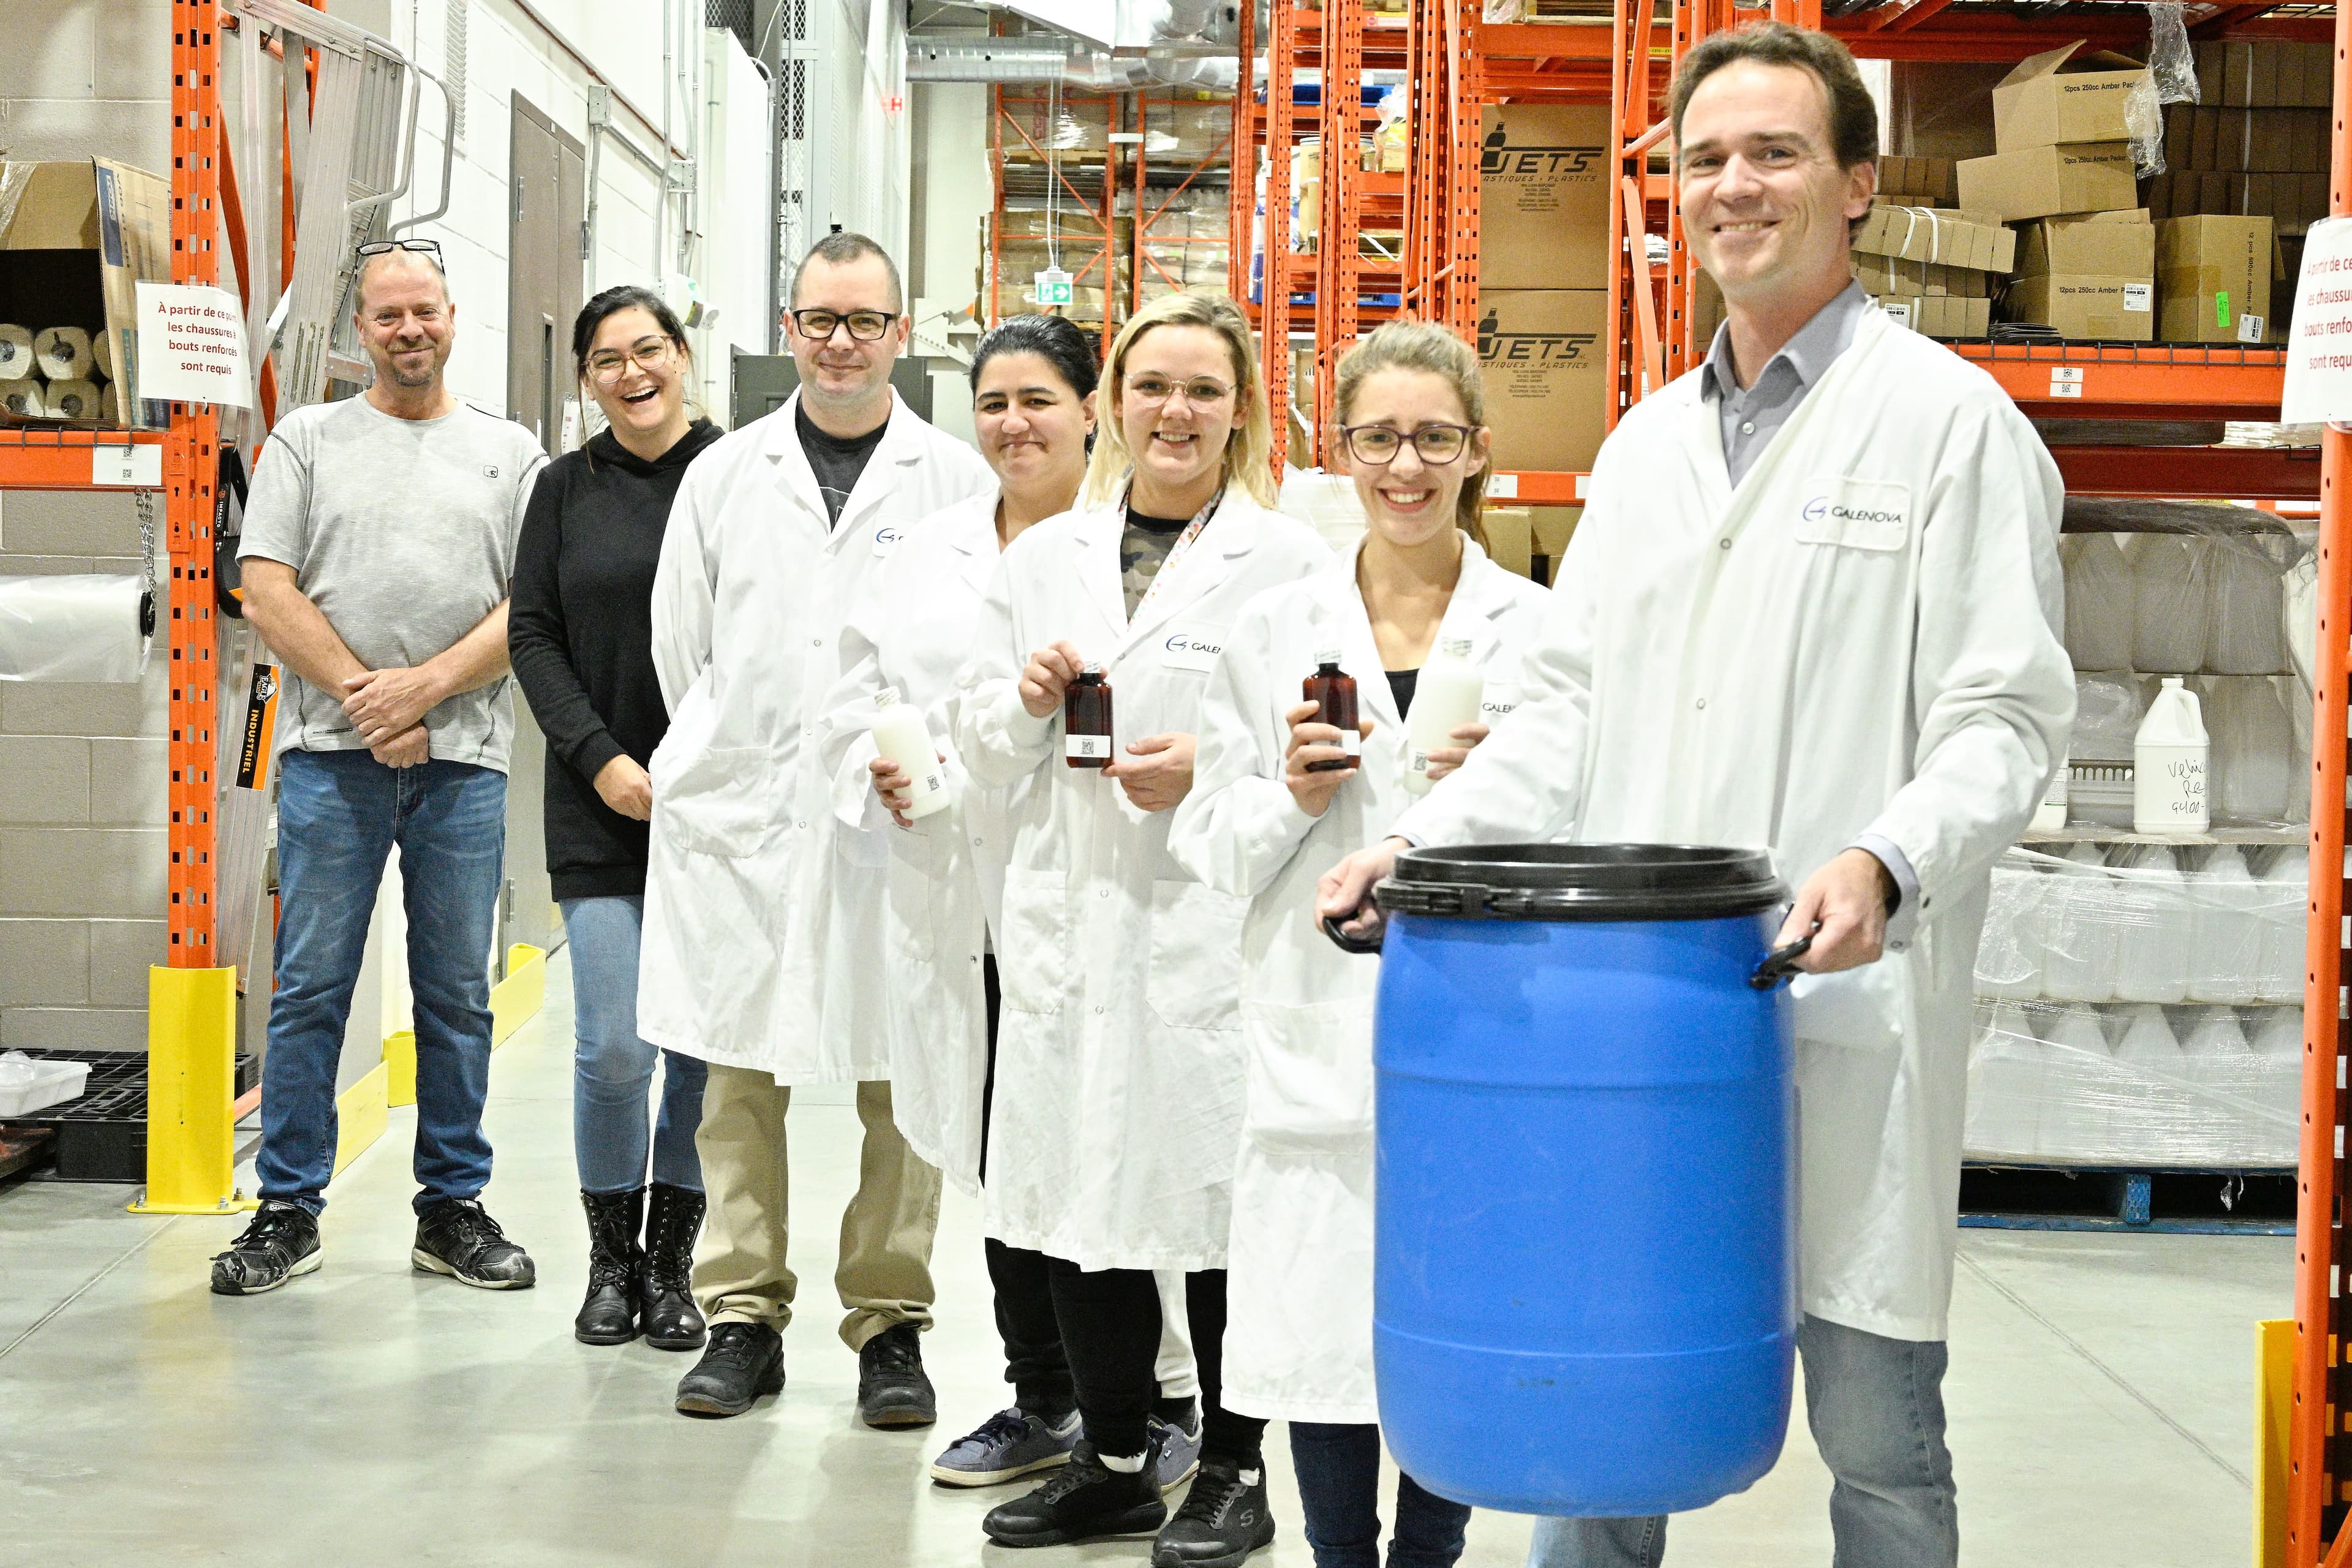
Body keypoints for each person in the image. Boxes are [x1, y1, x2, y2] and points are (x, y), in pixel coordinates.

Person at [1318, 25, 2075, 1568]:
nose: (1736, 185)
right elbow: (1562, 711)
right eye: (1707, 157)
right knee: (1607, 1418)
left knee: (1879, 1439)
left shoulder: (1949, 425)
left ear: (1857, 185)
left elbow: (2007, 718)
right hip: (1643, 1009)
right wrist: (1422, 842)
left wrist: (1885, 856)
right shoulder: (1648, 444)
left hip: (1846, 996)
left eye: (1777, 152)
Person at [949, 290, 1329, 1565]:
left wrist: (1208, 766)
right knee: (1073, 1194)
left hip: (1204, 927)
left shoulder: (1286, 560)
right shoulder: (1040, 560)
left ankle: (1232, 1464)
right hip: (1067, 925)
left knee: (1223, 1210)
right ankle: (1112, 1461)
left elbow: (1323, 754)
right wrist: (1022, 699)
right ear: (1111, 403)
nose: (1176, 412)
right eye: (1153, 386)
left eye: (1204, 392)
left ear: (1239, 413)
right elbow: (976, 749)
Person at [1169, 320, 1548, 1568]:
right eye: (1380, 436)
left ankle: (1429, 1559)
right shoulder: (1272, 625)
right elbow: (1212, 846)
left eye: (1435, 436)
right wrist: (1287, 788)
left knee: (1450, 1331)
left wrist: (1513, 791)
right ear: (1339, 452)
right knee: (1325, 1339)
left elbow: (1589, 845)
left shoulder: (1538, 635)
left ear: (1477, 449)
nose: (1407, 465)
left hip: (1476, 1030)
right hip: (1312, 1036)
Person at [819, 315, 1204, 1496]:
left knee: (1129, 1144)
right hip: (958, 890)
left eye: (1039, 398)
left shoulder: (1143, 547)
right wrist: (876, 767)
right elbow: (861, 693)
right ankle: (1040, 1395)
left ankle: (1159, 1399)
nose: (1013, 423)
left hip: (1106, 890)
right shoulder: (928, 546)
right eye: (992, 402)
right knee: (1003, 1147)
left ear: (1092, 409)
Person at [639, 232, 992, 1423]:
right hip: (749, 824)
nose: (841, 341)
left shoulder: (956, 481)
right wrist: (754, 759)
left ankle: (891, 1320)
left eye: (865, 320)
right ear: (788, 329)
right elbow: (681, 652)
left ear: (901, 331)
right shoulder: (723, 476)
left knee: (904, 1080)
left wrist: (927, 764)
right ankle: (741, 1311)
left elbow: (981, 652)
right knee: (738, 1072)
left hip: (898, 827)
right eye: (820, 319)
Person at [211, 239, 550, 1295]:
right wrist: (375, 701)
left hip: (464, 768)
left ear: (456, 317)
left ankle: (451, 1208)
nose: (410, 331)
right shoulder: (306, 441)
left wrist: (426, 692)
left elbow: (528, 609)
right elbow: (263, 585)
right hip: (329, 766)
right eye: (388, 315)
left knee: (456, 996)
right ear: (361, 329)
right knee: (311, 988)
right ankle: (286, 1210)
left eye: (426, 312)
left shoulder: (511, 453)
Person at [509, 285, 725, 1349]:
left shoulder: (737, 474)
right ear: (587, 377)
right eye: (607, 360)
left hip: (717, 811)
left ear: (682, 357)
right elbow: (533, 638)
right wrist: (600, 761)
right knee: (610, 1051)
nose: (631, 373)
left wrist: (705, 768)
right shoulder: (562, 488)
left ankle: (673, 1272)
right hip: (599, 804)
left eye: (649, 351)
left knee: (694, 1053)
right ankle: (612, 1261)